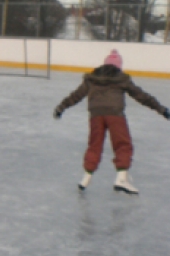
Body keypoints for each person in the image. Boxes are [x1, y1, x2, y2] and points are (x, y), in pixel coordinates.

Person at [54, 49, 168, 194]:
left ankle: (86, 178)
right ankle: (121, 179)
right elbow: (142, 96)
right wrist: (161, 109)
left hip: (96, 115)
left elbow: (77, 95)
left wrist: (61, 107)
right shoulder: (121, 79)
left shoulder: (92, 78)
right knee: (122, 144)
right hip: (115, 114)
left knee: (94, 145)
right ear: (118, 67)